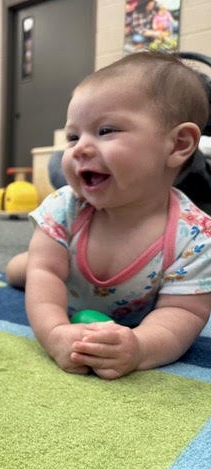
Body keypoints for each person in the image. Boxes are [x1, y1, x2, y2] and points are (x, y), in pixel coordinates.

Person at [14, 51, 211, 380]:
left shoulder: (194, 237)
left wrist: (140, 346)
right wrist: (55, 333)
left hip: (137, 305)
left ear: (178, 144)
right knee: (32, 268)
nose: (80, 148)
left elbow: (182, 313)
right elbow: (46, 276)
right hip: (66, 272)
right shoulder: (66, 206)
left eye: (105, 131)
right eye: (73, 137)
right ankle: (27, 259)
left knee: (42, 262)